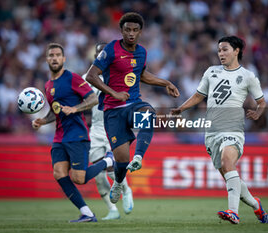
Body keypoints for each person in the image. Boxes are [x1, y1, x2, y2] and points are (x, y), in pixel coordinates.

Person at [171, 36, 268, 224]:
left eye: (225, 49)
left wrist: (258, 113)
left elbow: (262, 102)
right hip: (211, 132)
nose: (221, 54)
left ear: (236, 51)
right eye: (219, 50)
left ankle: (233, 212)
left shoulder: (248, 76)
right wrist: (181, 108)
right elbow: (199, 95)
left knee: (227, 161)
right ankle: (256, 205)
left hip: (233, 127)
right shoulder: (211, 72)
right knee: (230, 175)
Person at [85, 12, 180, 204]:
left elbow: (142, 75)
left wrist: (165, 83)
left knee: (148, 113)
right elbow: (91, 76)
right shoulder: (111, 49)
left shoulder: (142, 52)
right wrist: (114, 93)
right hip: (113, 110)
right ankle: (118, 183)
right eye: (127, 29)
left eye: (135, 30)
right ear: (121, 30)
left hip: (134, 103)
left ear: (140, 32)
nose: (131, 33)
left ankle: (138, 156)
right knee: (120, 160)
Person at [32, 43, 114, 223]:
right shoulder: (48, 85)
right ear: (47, 59)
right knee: (59, 173)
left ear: (64, 59)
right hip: (60, 137)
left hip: (77, 135)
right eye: (51, 55)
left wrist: (75, 109)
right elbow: (55, 111)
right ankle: (87, 213)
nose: (54, 58)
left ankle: (108, 160)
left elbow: (92, 99)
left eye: (57, 55)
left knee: (80, 178)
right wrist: (42, 121)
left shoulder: (73, 78)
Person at [82, 42, 134, 220]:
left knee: (112, 165)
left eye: (103, 53)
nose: (100, 57)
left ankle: (126, 189)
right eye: (97, 54)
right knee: (98, 172)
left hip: (114, 125)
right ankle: (112, 210)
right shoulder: (86, 77)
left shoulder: (119, 76)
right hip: (96, 129)